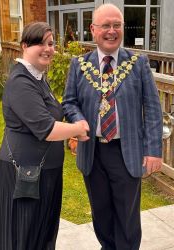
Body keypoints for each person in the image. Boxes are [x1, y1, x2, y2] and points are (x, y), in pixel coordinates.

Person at [62, 4, 163, 250]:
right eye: (106, 25)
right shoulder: (79, 65)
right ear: (93, 30)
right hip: (92, 152)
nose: (111, 31)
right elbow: (69, 102)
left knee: (127, 218)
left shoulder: (138, 63)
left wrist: (153, 150)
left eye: (117, 25)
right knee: (102, 214)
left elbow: (152, 108)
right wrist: (78, 120)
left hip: (126, 151)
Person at [0, 21, 89, 250]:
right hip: (24, 175)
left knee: (43, 235)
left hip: (45, 173)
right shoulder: (20, 82)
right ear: (24, 46)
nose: (48, 49)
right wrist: (79, 129)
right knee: (22, 237)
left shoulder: (39, 78)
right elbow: (47, 129)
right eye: (41, 43)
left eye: (51, 43)